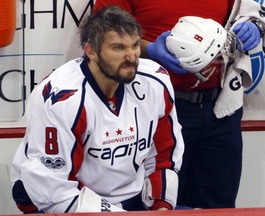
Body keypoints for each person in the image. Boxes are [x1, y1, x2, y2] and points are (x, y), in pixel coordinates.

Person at [10, 6, 184, 213]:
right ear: (91, 51)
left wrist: (160, 206)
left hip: (130, 199)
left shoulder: (156, 81)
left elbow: (163, 158)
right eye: (118, 48)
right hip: (56, 200)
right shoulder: (62, 98)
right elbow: (53, 188)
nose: (131, 57)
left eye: (135, 45)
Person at [94, 0, 265, 209]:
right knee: (158, 204)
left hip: (219, 110)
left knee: (219, 207)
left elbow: (248, 11)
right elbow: (103, 31)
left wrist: (252, 25)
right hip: (154, 112)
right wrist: (148, 49)